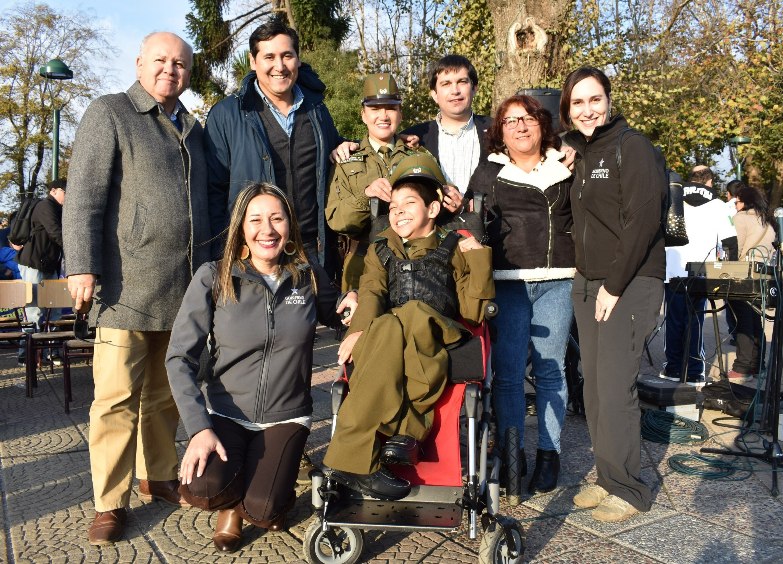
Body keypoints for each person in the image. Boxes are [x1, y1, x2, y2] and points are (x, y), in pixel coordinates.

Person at [63, 31, 214, 545]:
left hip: (182, 286)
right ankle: (110, 502)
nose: (170, 70)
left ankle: (161, 475)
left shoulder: (194, 128)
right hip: (124, 287)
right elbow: (83, 195)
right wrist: (82, 265)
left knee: (167, 392)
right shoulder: (110, 112)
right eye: (160, 61)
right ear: (139, 63)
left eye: (180, 64)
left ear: (189, 72)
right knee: (115, 400)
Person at [166, 183, 355, 552]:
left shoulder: (307, 274)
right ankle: (234, 503)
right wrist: (198, 428)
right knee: (201, 487)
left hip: (286, 416)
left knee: (265, 510)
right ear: (241, 227)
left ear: (289, 226)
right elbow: (178, 357)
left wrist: (359, 309)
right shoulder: (214, 276)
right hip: (225, 412)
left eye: (276, 218)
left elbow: (341, 317)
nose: (266, 230)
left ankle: (254, 499)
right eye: (255, 220)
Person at [324, 153, 494, 500]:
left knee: (411, 313)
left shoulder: (455, 246)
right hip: (391, 344)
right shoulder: (381, 249)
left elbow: (474, 312)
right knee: (387, 325)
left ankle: (363, 449)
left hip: (438, 337)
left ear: (433, 209)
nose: (398, 211)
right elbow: (371, 292)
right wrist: (357, 331)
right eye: (393, 205)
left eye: (409, 203)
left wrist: (477, 255)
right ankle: (397, 437)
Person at [560, 66, 667, 522]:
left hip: (629, 281)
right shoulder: (579, 154)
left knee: (616, 385)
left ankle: (628, 488)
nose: (588, 109)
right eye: (578, 102)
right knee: (596, 390)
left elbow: (643, 222)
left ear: (609, 100)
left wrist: (614, 286)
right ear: (567, 108)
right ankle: (607, 478)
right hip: (587, 282)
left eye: (595, 99)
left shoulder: (632, 147)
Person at [467, 94, 574, 494]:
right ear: (500, 132)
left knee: (551, 369)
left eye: (527, 118)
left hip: (558, 281)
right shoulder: (488, 173)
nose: (520, 126)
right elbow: (472, 221)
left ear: (542, 124)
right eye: (510, 121)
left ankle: (549, 452)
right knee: (509, 373)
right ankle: (514, 451)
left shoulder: (565, 167)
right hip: (508, 282)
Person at [204, 18, 348, 271]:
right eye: (269, 57)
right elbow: (214, 191)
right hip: (254, 254)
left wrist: (383, 141)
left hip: (313, 250)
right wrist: (224, 256)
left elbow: (335, 152)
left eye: (287, 55)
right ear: (253, 61)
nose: (279, 66)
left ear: (298, 59)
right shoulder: (226, 115)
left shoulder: (317, 110)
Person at [326, 73, 422, 291]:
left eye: (390, 107)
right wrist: (366, 195)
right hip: (362, 262)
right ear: (363, 115)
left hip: (415, 261)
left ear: (400, 113)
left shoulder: (418, 156)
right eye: (375, 109)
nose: (383, 115)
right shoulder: (344, 160)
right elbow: (337, 220)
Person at [661, 165, 735, 385]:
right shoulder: (719, 205)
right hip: (702, 270)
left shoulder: (674, 199)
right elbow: (731, 242)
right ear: (710, 182)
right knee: (696, 321)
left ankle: (674, 369)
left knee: (673, 320)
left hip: (672, 268)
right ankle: (694, 371)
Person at [401, 55, 491, 197]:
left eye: (462, 82)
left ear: (474, 89)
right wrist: (353, 146)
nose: (455, 91)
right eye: (446, 84)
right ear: (434, 94)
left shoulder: (498, 130)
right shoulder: (413, 138)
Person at [727, 185, 775, 383]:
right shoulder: (769, 221)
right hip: (762, 275)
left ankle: (742, 367)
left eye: (736, 202)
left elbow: (734, 247)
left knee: (743, 321)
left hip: (742, 274)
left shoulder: (741, 218)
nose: (735, 205)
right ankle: (758, 366)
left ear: (744, 202)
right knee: (756, 320)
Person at [15, 180, 66, 363]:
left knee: (54, 309)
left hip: (49, 264)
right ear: (53, 191)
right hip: (34, 264)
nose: (67, 195)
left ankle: (50, 351)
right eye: (64, 191)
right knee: (34, 310)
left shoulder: (58, 208)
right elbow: (56, 232)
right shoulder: (45, 206)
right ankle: (27, 353)